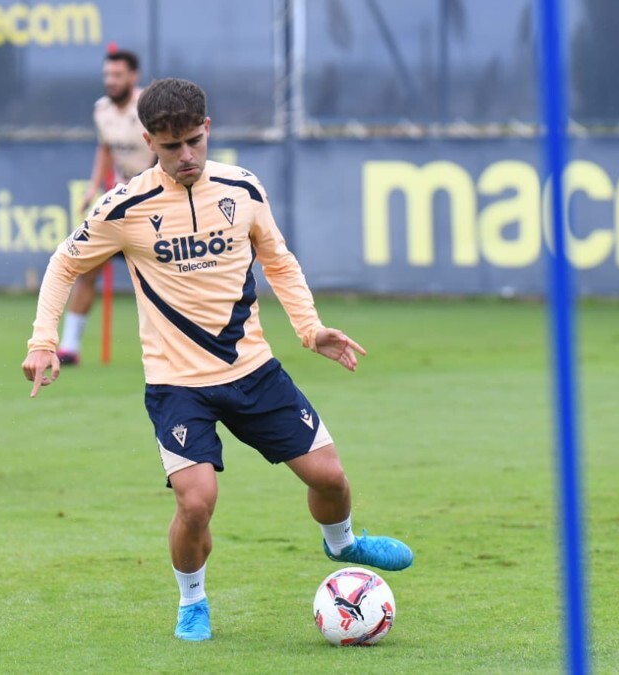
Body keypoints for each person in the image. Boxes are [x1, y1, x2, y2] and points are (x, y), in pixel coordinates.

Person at [21, 78, 413, 641]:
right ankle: (192, 602)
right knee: (197, 501)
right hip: (177, 385)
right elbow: (64, 263)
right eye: (170, 145)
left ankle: (343, 541)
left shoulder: (242, 188)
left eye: (193, 142)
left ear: (208, 129)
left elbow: (277, 259)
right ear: (149, 140)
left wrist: (309, 328)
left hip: (254, 371)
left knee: (330, 477)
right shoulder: (126, 206)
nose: (185, 157)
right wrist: (43, 339)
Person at [57, 50, 156, 366]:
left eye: (118, 75)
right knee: (86, 268)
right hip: (120, 201)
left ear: (133, 76)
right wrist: (92, 187)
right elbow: (104, 150)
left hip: (154, 200)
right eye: (107, 75)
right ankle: (70, 346)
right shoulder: (101, 110)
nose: (111, 81)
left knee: (163, 276)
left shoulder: (149, 108)